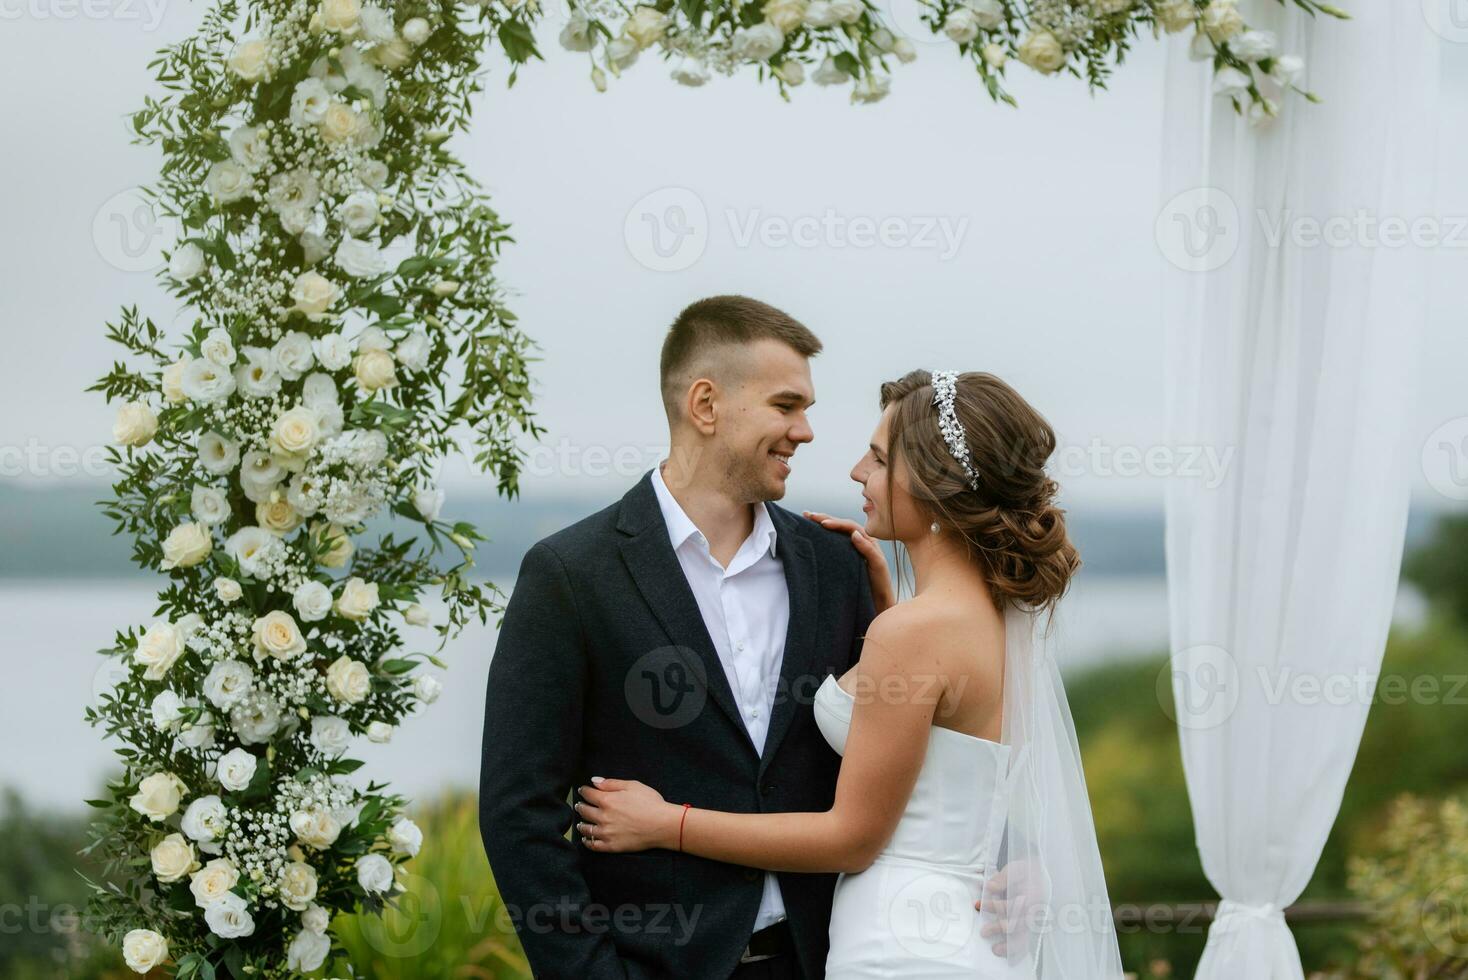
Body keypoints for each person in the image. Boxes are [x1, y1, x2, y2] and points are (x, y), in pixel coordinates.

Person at [574, 369, 1126, 978]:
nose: (857, 471)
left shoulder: (913, 634)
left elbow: (852, 838)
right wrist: (887, 610)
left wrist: (667, 824)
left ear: (935, 485)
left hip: (901, 947)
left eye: (880, 457)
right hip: (959, 934)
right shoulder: (985, 620)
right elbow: (948, 757)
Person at [479, 295, 894, 979]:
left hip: (827, 962)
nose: (807, 431)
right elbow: (517, 813)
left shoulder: (836, 566)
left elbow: (889, 760)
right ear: (706, 405)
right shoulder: (571, 575)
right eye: (786, 406)